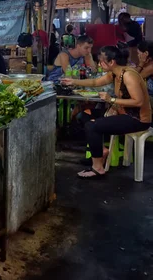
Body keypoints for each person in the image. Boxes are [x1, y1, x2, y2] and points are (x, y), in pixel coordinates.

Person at [62, 46, 151, 179]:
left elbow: (138, 101)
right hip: (123, 113)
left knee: (92, 126)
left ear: (112, 62)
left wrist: (112, 99)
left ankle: (97, 168)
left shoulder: (128, 75)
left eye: (101, 61)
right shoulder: (115, 73)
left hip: (137, 119)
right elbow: (95, 82)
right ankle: (100, 150)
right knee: (85, 114)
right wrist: (73, 81)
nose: (99, 64)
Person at [136, 40, 153, 108]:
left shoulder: (151, 67)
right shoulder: (148, 64)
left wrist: (141, 63)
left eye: (139, 53)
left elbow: (135, 78)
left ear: (146, 53)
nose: (138, 55)